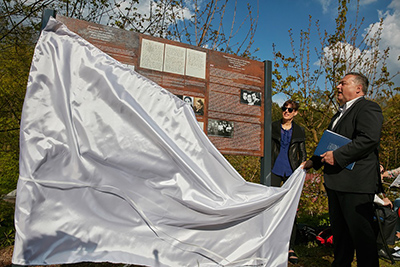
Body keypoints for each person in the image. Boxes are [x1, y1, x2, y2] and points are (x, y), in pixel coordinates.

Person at [303, 72, 384, 267]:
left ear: (358, 88)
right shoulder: (338, 114)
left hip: (356, 185)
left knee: (362, 237)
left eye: (343, 83)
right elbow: (329, 145)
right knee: (341, 235)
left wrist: (338, 156)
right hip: (336, 183)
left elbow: (369, 138)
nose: (337, 86)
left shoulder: (368, 107)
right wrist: (313, 162)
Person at [271, 99, 306, 264]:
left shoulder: (299, 130)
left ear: (295, 112)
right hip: (273, 170)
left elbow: (302, 153)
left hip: (292, 172)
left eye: (290, 110)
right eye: (284, 108)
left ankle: (290, 247)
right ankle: (269, 243)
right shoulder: (272, 126)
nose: (286, 111)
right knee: (270, 207)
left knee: (291, 210)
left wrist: (302, 172)